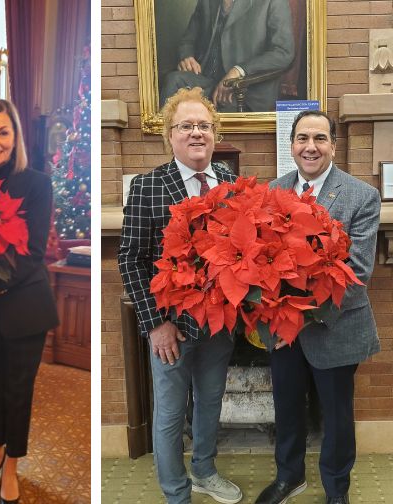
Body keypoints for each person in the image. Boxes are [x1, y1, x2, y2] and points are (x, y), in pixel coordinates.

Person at [118, 88, 242, 504]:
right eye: (186, 125)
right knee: (170, 415)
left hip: (220, 324)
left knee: (210, 403)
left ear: (215, 133)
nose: (196, 133)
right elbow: (131, 260)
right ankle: (176, 493)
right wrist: (156, 324)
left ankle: (205, 470)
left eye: (204, 125)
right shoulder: (148, 186)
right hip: (171, 327)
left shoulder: (230, 182)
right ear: (170, 135)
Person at [256, 110, 381, 504]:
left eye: (320, 139)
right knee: (287, 410)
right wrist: (273, 326)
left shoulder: (361, 196)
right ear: (291, 144)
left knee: (337, 416)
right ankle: (289, 477)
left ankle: (336, 490)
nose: (311, 147)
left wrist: (295, 315)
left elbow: (356, 271)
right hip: (282, 333)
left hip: (336, 326)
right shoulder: (271, 193)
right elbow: (258, 266)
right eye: (302, 138)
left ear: (332, 145)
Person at [0, 98, 59, 504]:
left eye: (3, 132)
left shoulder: (36, 183)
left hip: (23, 308)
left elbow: (32, 252)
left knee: (18, 391)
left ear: (15, 137)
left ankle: (13, 464)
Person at [159, 0, 294, 112]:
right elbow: (188, 40)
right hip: (206, 79)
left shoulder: (274, 2)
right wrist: (186, 56)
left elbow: (283, 52)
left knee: (214, 119)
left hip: (245, 90)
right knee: (172, 81)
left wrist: (239, 70)